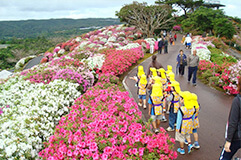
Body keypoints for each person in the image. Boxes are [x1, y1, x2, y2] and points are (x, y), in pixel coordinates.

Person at [219, 77, 241, 160]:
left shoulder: (237, 101)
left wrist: (228, 140)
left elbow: (233, 122)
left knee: (225, 157)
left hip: (237, 136)